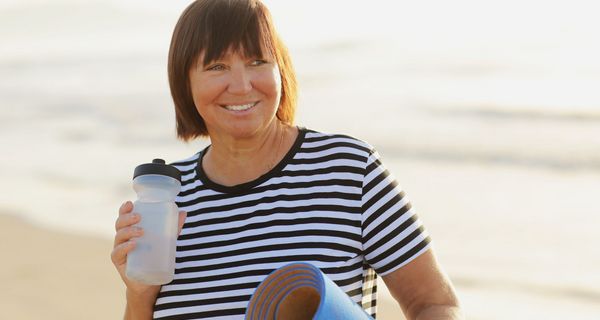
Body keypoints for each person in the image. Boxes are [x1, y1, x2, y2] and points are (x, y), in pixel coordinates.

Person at [111, 0, 464, 319]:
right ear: (184, 82)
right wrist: (139, 296)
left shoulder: (348, 170)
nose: (241, 85)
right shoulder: (166, 200)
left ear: (280, 69)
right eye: (217, 66)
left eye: (257, 61)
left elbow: (435, 303)